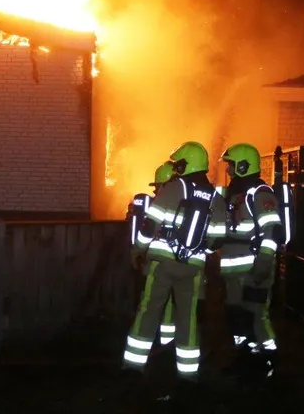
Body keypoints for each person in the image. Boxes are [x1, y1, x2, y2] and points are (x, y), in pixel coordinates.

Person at [121, 141, 230, 401]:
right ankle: (188, 377)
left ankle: (133, 369)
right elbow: (217, 240)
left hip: (162, 264)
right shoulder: (214, 196)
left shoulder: (174, 187)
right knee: (188, 319)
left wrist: (138, 250)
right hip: (193, 268)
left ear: (185, 164)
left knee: (148, 311)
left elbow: (150, 223)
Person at [215, 142, 284, 382]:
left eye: (232, 166)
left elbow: (272, 231)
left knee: (256, 316)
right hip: (234, 272)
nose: (229, 171)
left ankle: (268, 361)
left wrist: (264, 263)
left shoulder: (261, 193)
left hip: (255, 268)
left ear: (244, 166)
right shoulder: (233, 193)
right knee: (236, 316)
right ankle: (244, 359)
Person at [126, 161, 177, 346]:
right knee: (166, 307)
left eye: (157, 187)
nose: (155, 192)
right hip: (165, 267)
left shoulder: (158, 205)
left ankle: (156, 344)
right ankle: (165, 345)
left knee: (149, 306)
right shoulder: (181, 205)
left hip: (153, 265)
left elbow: (143, 235)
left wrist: (136, 252)